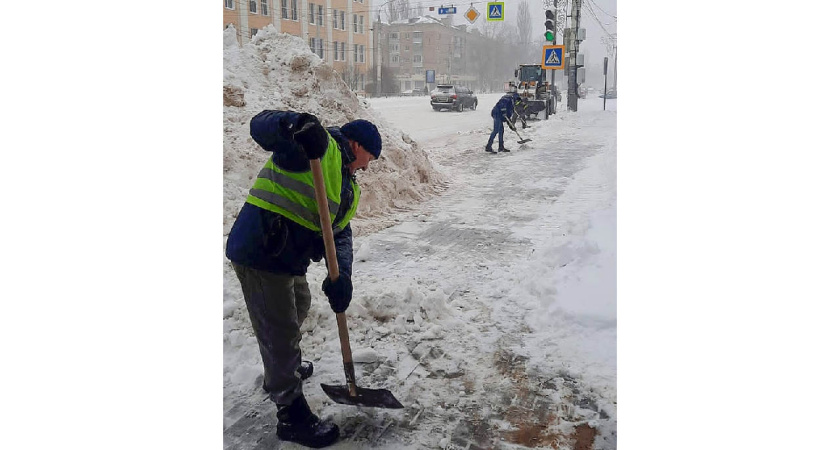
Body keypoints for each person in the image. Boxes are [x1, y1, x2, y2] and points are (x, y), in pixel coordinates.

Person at [225, 110, 382, 448]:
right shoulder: (314, 146)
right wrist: (293, 124)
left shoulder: (346, 184)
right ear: (357, 145)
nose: (367, 167)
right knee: (280, 329)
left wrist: (343, 279)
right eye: (369, 158)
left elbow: (340, 235)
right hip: (261, 248)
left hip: (287, 260)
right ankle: (290, 412)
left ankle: (282, 362)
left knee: (299, 303)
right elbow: (260, 126)